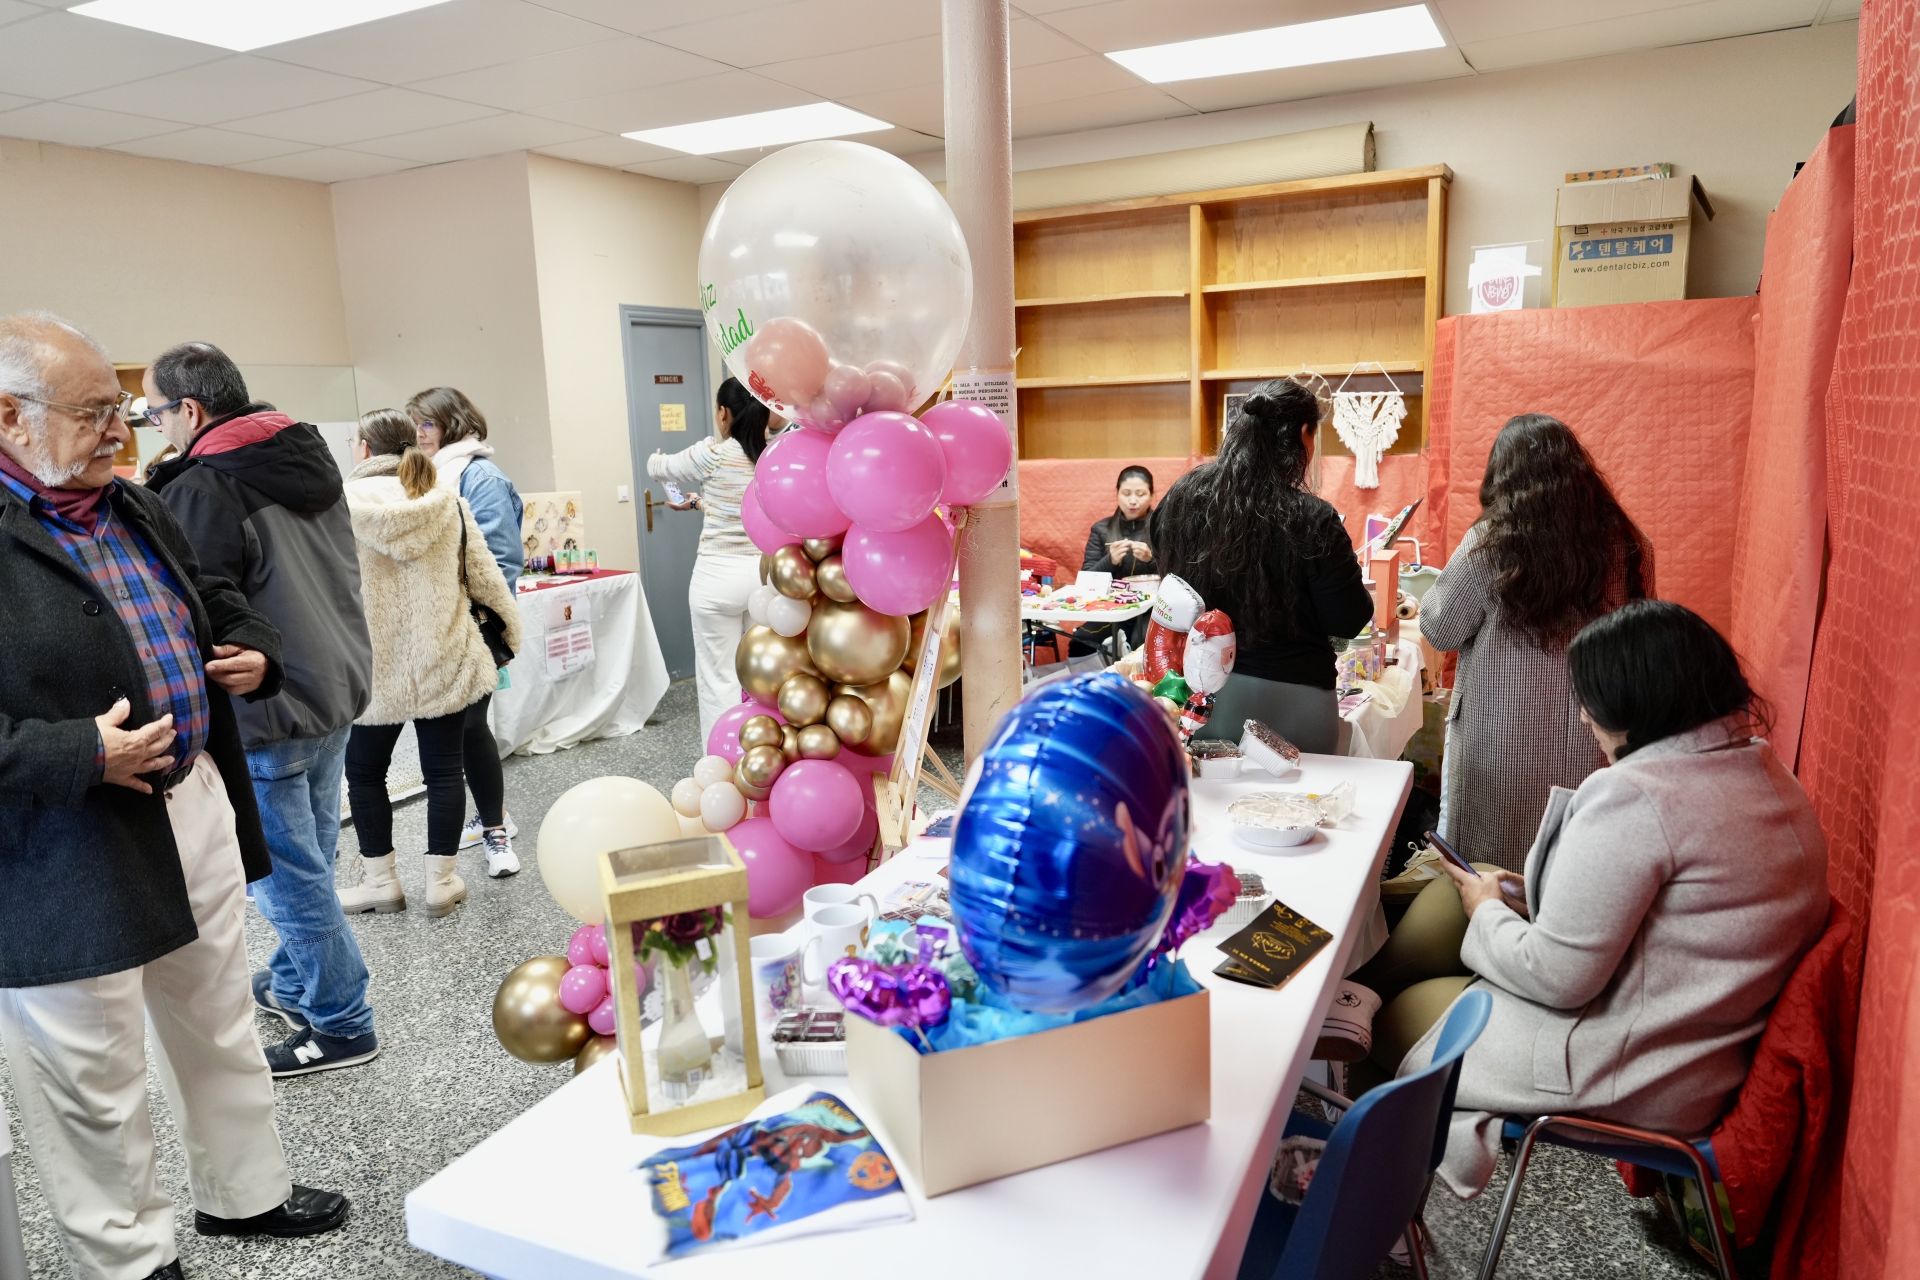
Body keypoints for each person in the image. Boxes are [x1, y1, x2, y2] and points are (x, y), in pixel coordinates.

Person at [0, 312, 347, 1280]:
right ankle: (131, 1261)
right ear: (8, 416)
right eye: (96, 412)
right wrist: (78, 752)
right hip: (63, 840)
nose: (122, 431)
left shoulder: (133, 502)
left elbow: (211, 594)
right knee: (92, 1072)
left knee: (217, 1013)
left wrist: (252, 649)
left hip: (190, 798)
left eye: (124, 409)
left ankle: (246, 1193)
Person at [1353, 600, 1828, 1196]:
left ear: (1635, 707)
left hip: (1628, 1066)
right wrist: (1509, 900)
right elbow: (1665, 920)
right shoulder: (1763, 772)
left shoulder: (1639, 797)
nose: (1583, 717)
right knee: (1472, 887)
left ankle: (1372, 1206)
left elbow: (1558, 977)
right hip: (1689, 1049)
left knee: (1385, 1020)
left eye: (1591, 702)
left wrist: (1490, 910)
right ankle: (1352, 996)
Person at [143, 341, 379, 1078]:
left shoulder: (204, 484)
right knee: (306, 852)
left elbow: (202, 608)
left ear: (190, 409)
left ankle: (342, 1022)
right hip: (333, 684)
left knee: (285, 875)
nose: (156, 429)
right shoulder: (304, 452)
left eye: (155, 414)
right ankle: (292, 982)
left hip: (269, 707)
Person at [1417, 414, 1652, 873]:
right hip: (1589, 736)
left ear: (1502, 476)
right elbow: (1633, 638)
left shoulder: (1490, 543)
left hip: (1496, 734)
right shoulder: (1620, 542)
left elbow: (1441, 627)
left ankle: (1483, 930)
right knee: (1567, 865)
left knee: (1482, 866)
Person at [338, 409, 521, 918]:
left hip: (373, 668)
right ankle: (441, 883)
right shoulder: (446, 501)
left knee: (365, 772)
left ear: (367, 449)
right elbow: (484, 577)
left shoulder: (338, 509)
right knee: (444, 771)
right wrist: (509, 631)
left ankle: (382, 884)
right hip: (443, 657)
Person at [1154, 378, 1373, 753]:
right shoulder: (1313, 518)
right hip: (1297, 702)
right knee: (1302, 807)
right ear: (1305, 434)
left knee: (1212, 805)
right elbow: (1348, 618)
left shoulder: (1183, 498)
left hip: (1203, 693)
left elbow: (1168, 573)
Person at [406, 386, 523, 875]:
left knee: (472, 728)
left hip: (472, 624)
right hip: (437, 625)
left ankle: (497, 833)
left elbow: (501, 560)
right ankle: (491, 817)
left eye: (426, 424)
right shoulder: (431, 474)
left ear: (452, 423)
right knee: (455, 732)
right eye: (414, 424)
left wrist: (466, 614)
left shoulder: (479, 476)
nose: (418, 434)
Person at [647, 377, 771, 742]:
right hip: (761, 578)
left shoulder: (713, 454)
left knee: (719, 679)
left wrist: (695, 448)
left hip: (716, 579)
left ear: (723, 413)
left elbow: (658, 466)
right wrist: (701, 502)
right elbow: (741, 510)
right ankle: (760, 761)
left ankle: (722, 767)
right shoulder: (770, 456)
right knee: (759, 676)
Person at [1082, 464, 1156, 578]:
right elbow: (1087, 579)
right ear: (1117, 494)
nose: (1132, 501)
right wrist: (1111, 560)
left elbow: (1177, 576)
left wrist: (1150, 560)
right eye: (1126, 494)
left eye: (1140, 494)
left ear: (1151, 495)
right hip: (1111, 596)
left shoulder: (1162, 528)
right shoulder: (1100, 529)